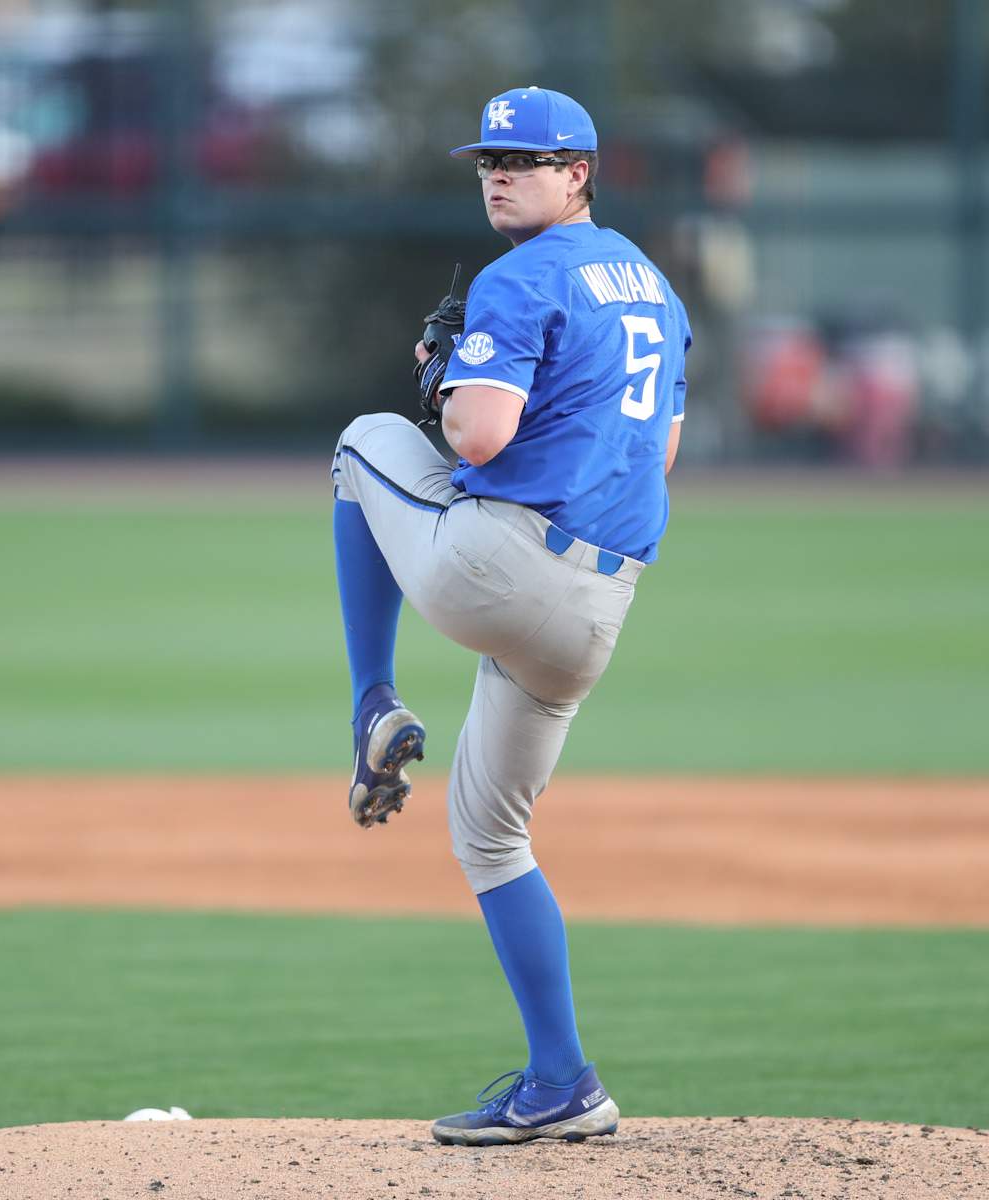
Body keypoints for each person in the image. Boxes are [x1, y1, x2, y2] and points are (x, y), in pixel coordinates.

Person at [330, 85, 691, 1146]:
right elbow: (658, 454)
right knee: (492, 835)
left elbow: (479, 437)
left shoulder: (521, 274)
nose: (499, 173)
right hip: (598, 608)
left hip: (495, 564)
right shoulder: (656, 288)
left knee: (360, 444)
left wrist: (447, 391)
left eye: (525, 160)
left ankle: (369, 702)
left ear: (579, 172)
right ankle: (564, 1080)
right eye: (490, 158)